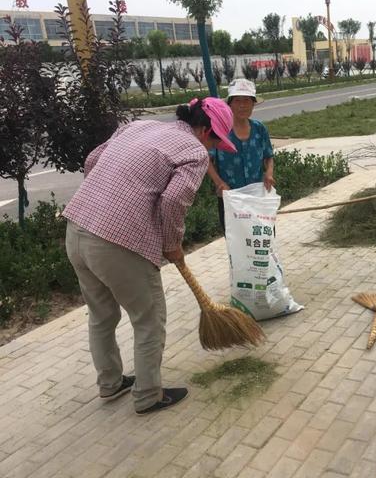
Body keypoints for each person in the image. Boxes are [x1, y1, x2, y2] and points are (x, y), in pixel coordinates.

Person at [63, 98, 236, 415]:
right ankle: (147, 395)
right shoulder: (194, 152)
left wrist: (105, 198)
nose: (212, 149)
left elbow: (92, 160)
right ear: (204, 129)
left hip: (76, 229)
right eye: (214, 140)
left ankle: (111, 384)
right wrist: (172, 243)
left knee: (101, 316)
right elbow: (173, 201)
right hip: (117, 244)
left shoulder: (139, 126)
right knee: (150, 320)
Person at [207, 79, 275, 232]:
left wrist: (269, 173)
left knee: (262, 242)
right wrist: (219, 183)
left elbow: (268, 156)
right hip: (230, 198)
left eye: (247, 101)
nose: (242, 105)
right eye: (237, 101)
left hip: (257, 197)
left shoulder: (259, 129)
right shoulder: (220, 131)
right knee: (237, 246)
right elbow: (207, 161)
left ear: (253, 104)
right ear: (230, 104)